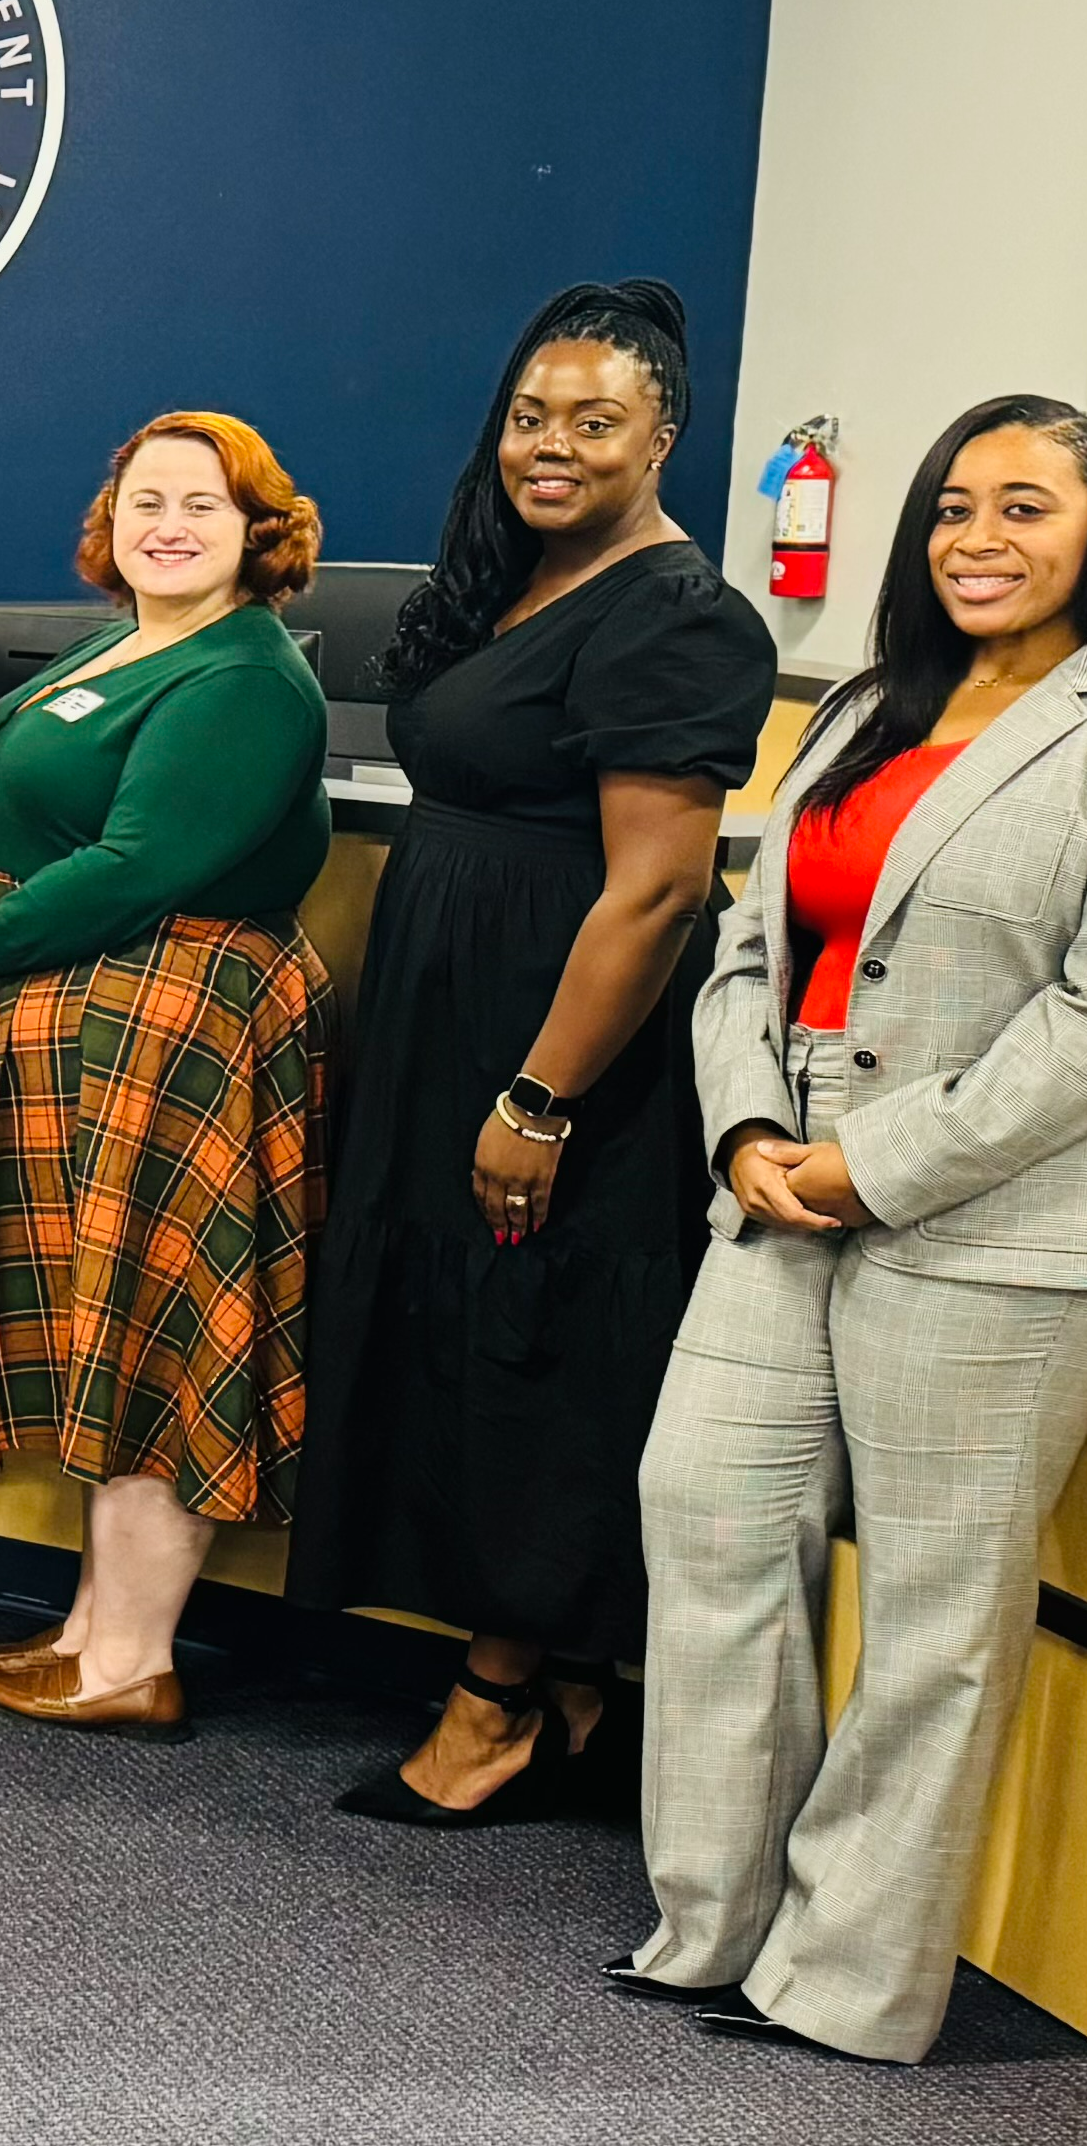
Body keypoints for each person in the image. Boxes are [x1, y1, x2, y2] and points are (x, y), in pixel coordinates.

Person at [625, 397, 1087, 2063]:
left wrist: (873, 1161)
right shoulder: (863, 703)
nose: (980, 539)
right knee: (704, 1508)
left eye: (1026, 508)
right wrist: (754, 1124)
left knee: (931, 1600)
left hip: (1022, 1213)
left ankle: (849, 1980)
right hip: (790, 1173)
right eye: (952, 508)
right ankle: (713, 1923)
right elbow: (747, 945)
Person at [293, 280, 775, 1825]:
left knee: (541, 1346)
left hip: (569, 1047)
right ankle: (563, 1683)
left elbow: (655, 886)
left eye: (595, 421)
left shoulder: (678, 617)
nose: (551, 446)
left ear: (666, 437)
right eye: (530, 416)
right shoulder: (517, 579)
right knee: (461, 1327)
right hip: (453, 1006)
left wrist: (539, 1095)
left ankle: (497, 1699)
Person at [0, 414, 336, 1733]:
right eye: (145, 500)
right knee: (93, 1333)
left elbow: (137, 866)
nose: (168, 524)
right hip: (70, 1029)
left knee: (154, 1342)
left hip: (175, 1047)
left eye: (204, 507)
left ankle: (135, 1660)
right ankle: (92, 1628)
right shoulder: (123, 641)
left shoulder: (247, 678)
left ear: (257, 533)